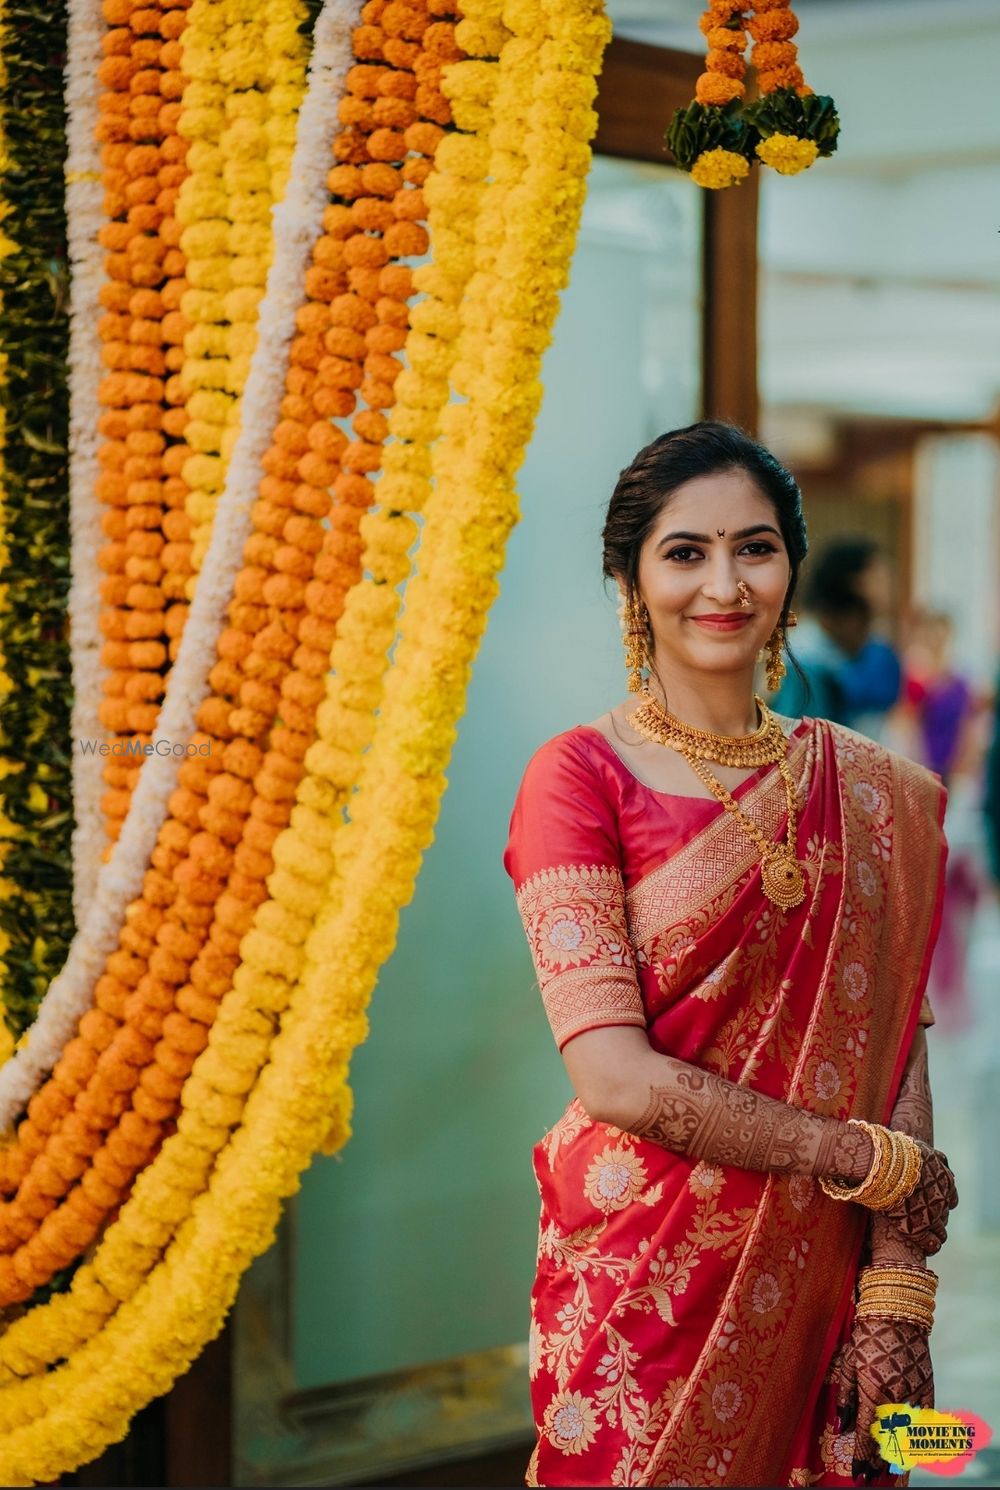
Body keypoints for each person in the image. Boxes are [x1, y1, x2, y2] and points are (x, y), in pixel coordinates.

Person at [502, 422, 958, 1489]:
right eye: (683, 551)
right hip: (641, 1282)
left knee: (866, 1460)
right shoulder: (576, 777)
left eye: (753, 547)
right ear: (629, 576)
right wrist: (855, 1159)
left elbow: (900, 1035)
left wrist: (896, 1288)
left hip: (831, 1272)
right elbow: (612, 1074)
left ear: (790, 567)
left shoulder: (873, 791)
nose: (722, 583)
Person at [772, 538, 902, 739]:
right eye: (879, 577)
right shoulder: (803, 659)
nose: (891, 585)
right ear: (854, 583)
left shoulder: (878, 651)